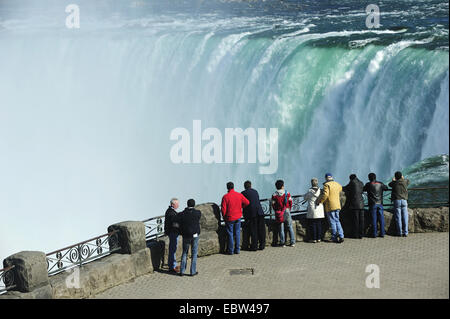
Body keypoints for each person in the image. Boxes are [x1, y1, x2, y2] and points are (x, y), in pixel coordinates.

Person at [221, 182, 250, 255]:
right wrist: (241, 207)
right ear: (233, 187)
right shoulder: (239, 195)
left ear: (227, 188)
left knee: (230, 234)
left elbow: (223, 209)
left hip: (230, 218)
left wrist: (224, 217)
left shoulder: (225, 197)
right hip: (238, 217)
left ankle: (230, 251)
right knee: (237, 233)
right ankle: (237, 250)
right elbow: (247, 202)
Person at [316, 173, 344, 243]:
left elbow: (325, 195)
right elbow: (341, 191)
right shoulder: (338, 184)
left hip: (330, 205)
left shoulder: (326, 185)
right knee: (337, 220)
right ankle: (341, 235)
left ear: (326, 178)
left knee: (332, 221)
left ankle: (334, 237)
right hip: (337, 205)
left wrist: (320, 201)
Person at [178, 199, 201, 276]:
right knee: (194, 253)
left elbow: (178, 219)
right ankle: (192, 271)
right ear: (194, 205)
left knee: (184, 253)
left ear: (187, 204)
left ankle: (182, 271)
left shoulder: (182, 214)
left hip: (186, 236)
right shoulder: (197, 213)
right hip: (194, 235)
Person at [241, 181, 266, 251]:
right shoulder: (255, 191)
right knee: (261, 230)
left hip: (252, 214)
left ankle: (254, 246)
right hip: (260, 212)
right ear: (250, 186)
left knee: (253, 230)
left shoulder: (243, 193)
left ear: (245, 186)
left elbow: (244, 204)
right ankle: (262, 245)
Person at [363, 173, 388, 238]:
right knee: (381, 219)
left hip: (372, 204)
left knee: (374, 219)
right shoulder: (380, 183)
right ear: (375, 177)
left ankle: (374, 234)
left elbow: (363, 189)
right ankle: (382, 233)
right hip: (380, 203)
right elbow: (386, 188)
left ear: (369, 178)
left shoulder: (368, 184)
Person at [271, 180, 295, 247]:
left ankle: (282, 243)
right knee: (289, 226)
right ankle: (292, 242)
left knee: (280, 228)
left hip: (279, 212)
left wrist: (276, 210)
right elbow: (290, 202)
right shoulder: (287, 193)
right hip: (286, 210)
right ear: (282, 186)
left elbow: (273, 204)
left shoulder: (274, 194)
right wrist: (288, 209)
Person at [301, 178, 325, 243]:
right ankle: (319, 238)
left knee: (313, 224)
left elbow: (305, 197)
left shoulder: (310, 191)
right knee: (319, 224)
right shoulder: (321, 190)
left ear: (311, 183)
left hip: (312, 209)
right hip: (319, 209)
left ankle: (314, 239)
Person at [343, 174, 365, 239]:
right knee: (361, 220)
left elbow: (346, 188)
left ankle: (355, 235)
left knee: (356, 220)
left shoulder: (352, 182)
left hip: (355, 204)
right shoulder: (361, 182)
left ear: (351, 179)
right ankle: (361, 234)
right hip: (362, 204)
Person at [389, 171, 410, 237]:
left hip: (397, 200)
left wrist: (393, 180)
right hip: (404, 200)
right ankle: (406, 232)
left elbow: (389, 184)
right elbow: (408, 181)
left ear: (395, 177)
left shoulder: (394, 183)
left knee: (398, 217)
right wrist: (403, 178)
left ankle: (399, 232)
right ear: (401, 176)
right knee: (405, 217)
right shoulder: (405, 182)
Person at [164, 198, 180, 273]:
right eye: (177, 204)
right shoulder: (171, 213)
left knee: (173, 248)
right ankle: (172, 266)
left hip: (171, 232)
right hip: (173, 232)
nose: (178, 205)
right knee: (173, 249)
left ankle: (173, 264)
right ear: (173, 204)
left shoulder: (170, 211)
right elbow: (174, 223)